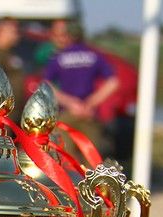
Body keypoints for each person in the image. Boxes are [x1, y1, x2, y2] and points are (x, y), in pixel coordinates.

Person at [42, 19, 119, 159]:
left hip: (67, 114)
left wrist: (71, 103)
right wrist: (90, 103)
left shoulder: (59, 57)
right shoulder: (94, 56)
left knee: (65, 157)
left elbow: (46, 84)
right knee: (92, 159)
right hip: (89, 113)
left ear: (68, 36)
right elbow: (113, 82)